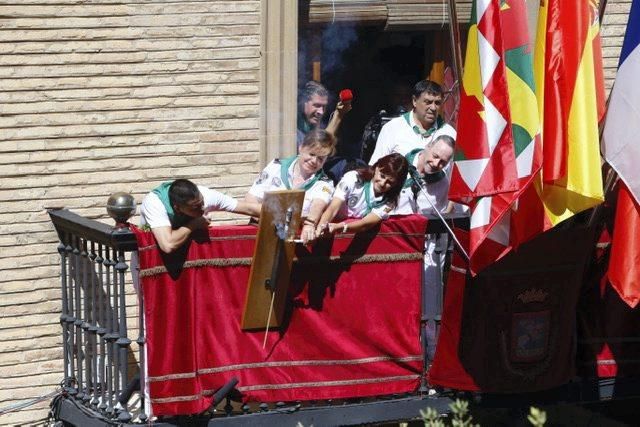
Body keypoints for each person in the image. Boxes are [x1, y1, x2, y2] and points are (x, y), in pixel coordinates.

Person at [245, 129, 337, 244]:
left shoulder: (325, 183)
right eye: (312, 154)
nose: (314, 161)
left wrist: (309, 224)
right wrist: (268, 223)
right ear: (301, 148)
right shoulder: (276, 166)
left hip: (295, 242)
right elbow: (251, 198)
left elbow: (318, 205)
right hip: (263, 234)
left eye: (320, 158)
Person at [140, 179, 261, 253]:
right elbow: (168, 245)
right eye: (195, 207)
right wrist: (194, 224)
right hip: (155, 262)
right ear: (177, 208)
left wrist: (277, 210)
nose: (202, 208)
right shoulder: (155, 203)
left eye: (202, 203)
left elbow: (248, 208)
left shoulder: (205, 195)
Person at [315, 153, 409, 238]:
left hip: (342, 229)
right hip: (326, 219)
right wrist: (321, 227)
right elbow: (333, 208)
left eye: (390, 182)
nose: (382, 183)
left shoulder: (389, 201)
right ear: (376, 168)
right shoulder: (353, 177)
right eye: (382, 176)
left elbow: (365, 223)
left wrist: (340, 227)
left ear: (397, 184)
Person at [368, 79, 456, 165]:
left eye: (437, 103)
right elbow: (375, 167)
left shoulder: (449, 133)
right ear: (414, 101)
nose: (433, 108)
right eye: (428, 102)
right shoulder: (392, 128)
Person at [393, 134, 456, 216]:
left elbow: (438, 220)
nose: (436, 164)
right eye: (435, 156)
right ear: (428, 146)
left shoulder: (443, 184)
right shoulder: (398, 164)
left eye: (443, 162)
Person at [297, 80, 352, 148]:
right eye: (316, 105)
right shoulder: (292, 128)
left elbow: (322, 142)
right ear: (303, 103)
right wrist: (338, 115)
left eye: (324, 106)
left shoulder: (311, 123)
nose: (321, 112)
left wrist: (339, 113)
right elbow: (318, 149)